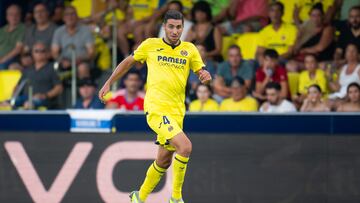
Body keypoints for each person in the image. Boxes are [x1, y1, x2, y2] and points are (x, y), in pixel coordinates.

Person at [98, 10, 211, 203]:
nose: (175, 31)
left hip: (177, 112)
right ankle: (175, 198)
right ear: (164, 27)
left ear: (183, 28)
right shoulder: (151, 45)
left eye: (179, 27)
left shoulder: (190, 49)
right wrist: (109, 82)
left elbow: (200, 70)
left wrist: (204, 75)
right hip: (156, 109)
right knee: (185, 147)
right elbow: (128, 63)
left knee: (164, 161)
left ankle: (138, 197)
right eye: (171, 27)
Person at [15, 42, 63, 109]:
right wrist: (13, 97)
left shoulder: (52, 68)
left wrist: (45, 95)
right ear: (32, 53)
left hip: (43, 100)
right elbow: (18, 86)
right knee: (5, 103)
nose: (39, 53)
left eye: (42, 51)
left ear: (47, 53)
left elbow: (59, 88)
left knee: (29, 104)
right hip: (25, 97)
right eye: (36, 51)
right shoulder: (27, 69)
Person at [0, 4, 25, 69]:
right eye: (11, 14)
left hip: (13, 58)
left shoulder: (23, 28)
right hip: (1, 58)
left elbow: (18, 49)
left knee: (2, 66)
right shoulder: (1, 30)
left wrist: (3, 59)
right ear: (7, 17)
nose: (14, 17)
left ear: (20, 16)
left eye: (17, 14)